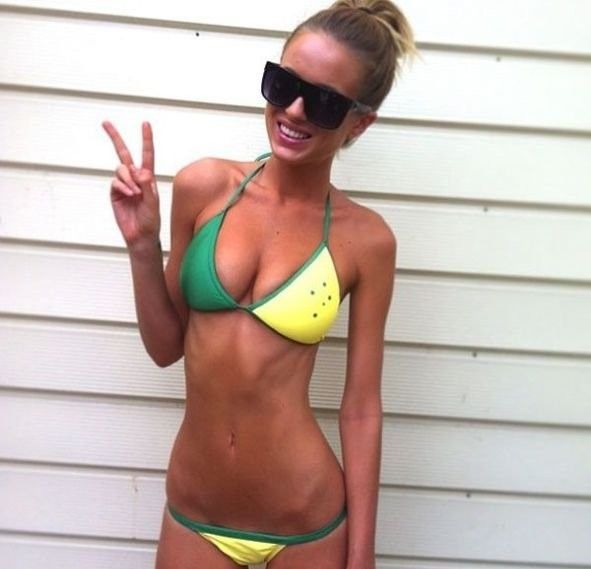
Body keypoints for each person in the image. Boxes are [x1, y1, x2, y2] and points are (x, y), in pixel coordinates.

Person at [102, 1, 415, 566]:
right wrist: (142, 246)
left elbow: (361, 408)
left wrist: (362, 554)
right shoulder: (203, 187)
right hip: (196, 511)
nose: (293, 110)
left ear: (359, 123)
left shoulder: (367, 241)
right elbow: (165, 347)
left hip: (306, 519)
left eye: (324, 102)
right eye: (283, 84)